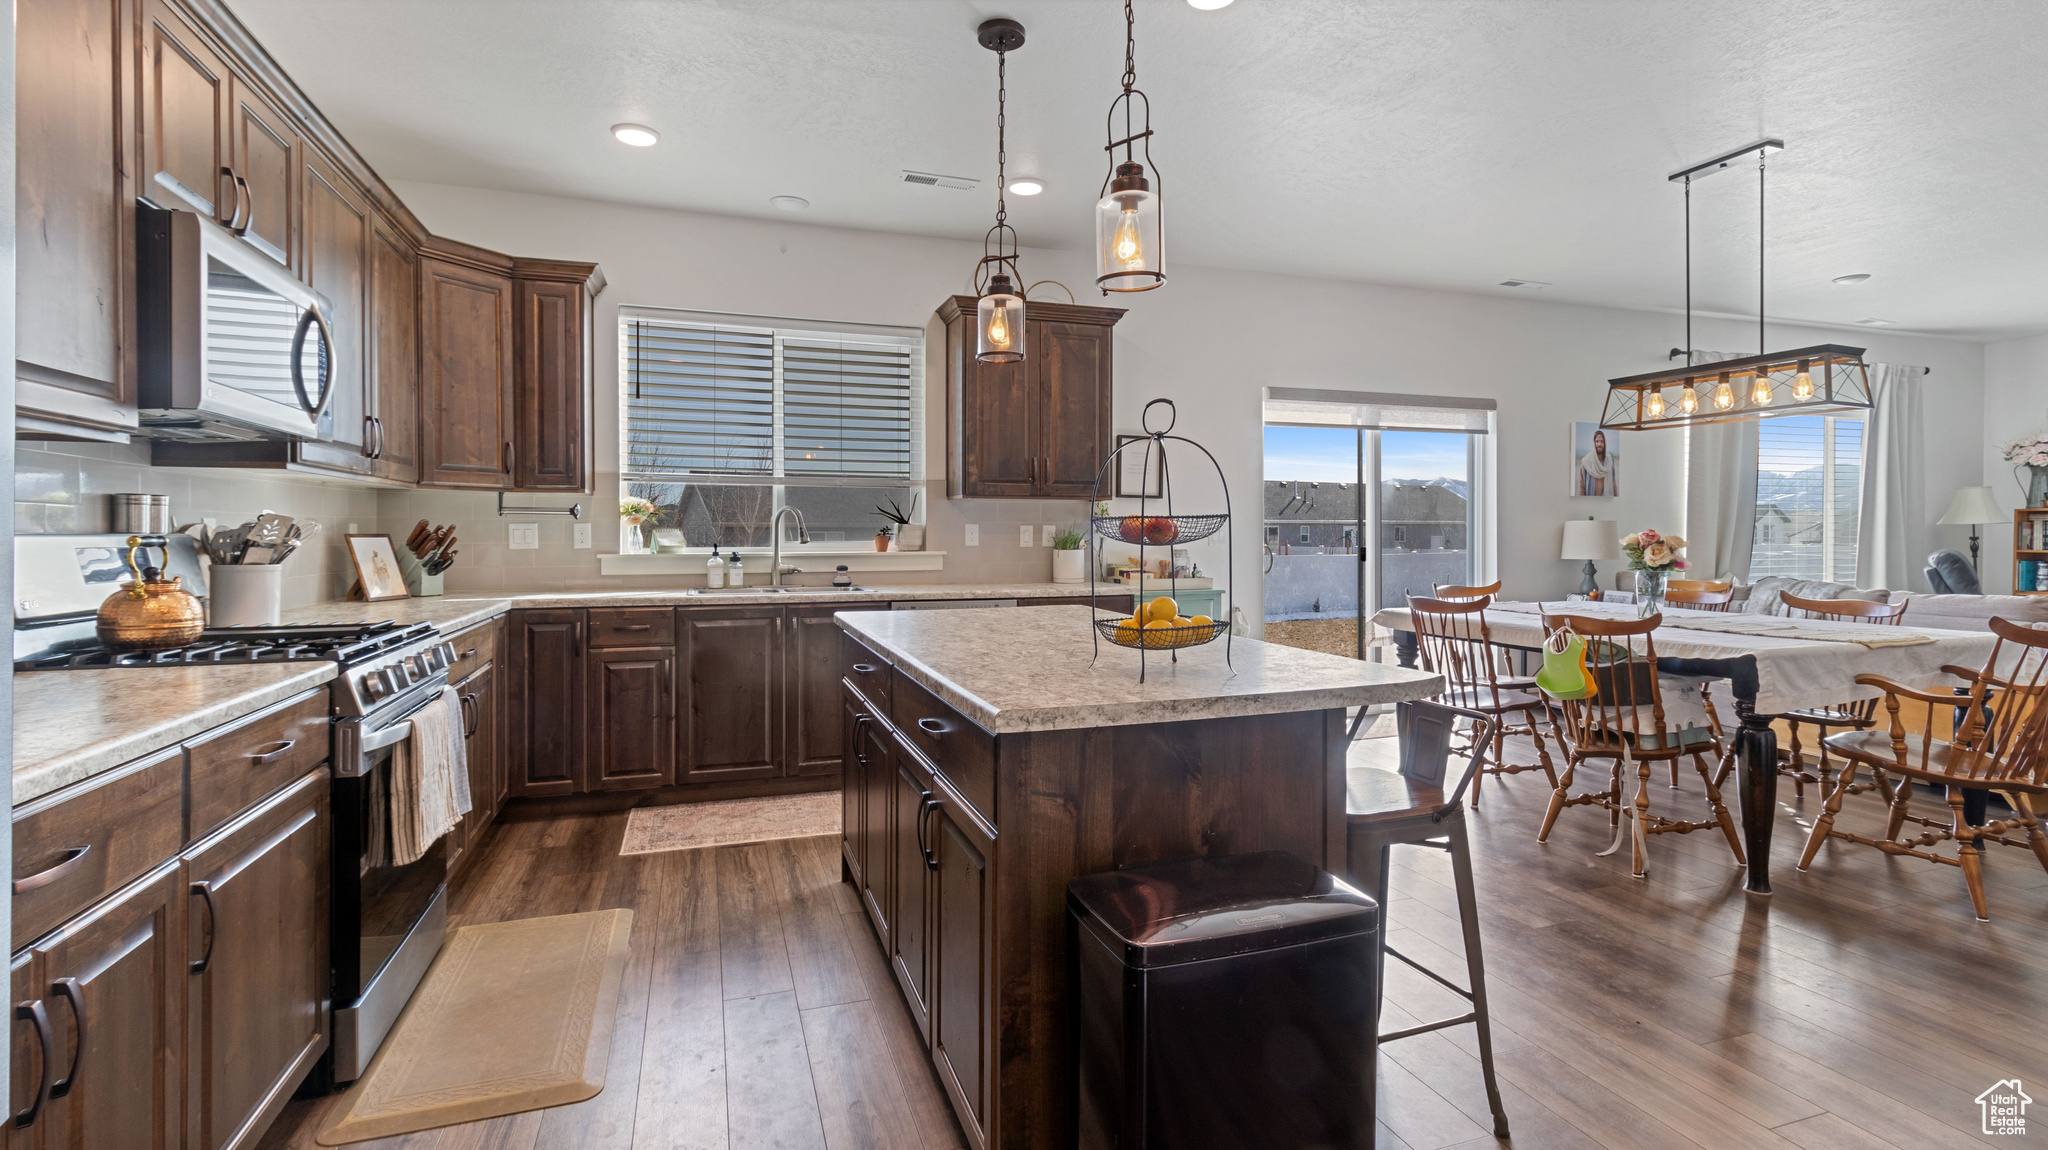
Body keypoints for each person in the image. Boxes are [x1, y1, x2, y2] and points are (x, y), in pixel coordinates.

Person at [1576, 429, 1617, 496]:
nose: (1599, 444)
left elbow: (1613, 485)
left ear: (1604, 443)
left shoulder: (1610, 462)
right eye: (1597, 441)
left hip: (1606, 503)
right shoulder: (1586, 463)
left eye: (1602, 441)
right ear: (1594, 443)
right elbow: (1582, 488)